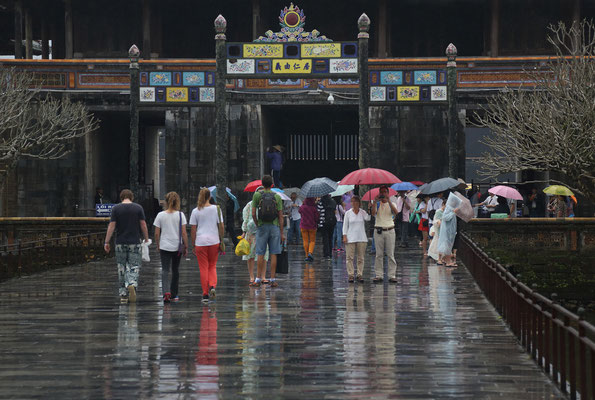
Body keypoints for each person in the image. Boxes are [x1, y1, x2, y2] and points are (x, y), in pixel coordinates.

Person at [103, 189, 150, 304]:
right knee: (134, 265)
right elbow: (143, 224)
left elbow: (112, 226)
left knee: (121, 268)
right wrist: (146, 238)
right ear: (131, 197)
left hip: (120, 242)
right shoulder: (138, 208)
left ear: (121, 197)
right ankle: (132, 284)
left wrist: (106, 242)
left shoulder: (116, 208)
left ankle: (123, 295)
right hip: (134, 242)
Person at [190, 188, 224, 304]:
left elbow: (193, 230)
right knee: (212, 266)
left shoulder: (195, 211)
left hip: (200, 242)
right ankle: (212, 286)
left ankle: (205, 294)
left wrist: (193, 244)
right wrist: (221, 239)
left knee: (203, 268)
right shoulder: (217, 209)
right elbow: (221, 226)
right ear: (210, 197)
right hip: (214, 241)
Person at [153, 191, 188, 303]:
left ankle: (165, 292)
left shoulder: (160, 215)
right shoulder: (180, 215)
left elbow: (157, 233)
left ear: (166, 202)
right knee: (175, 270)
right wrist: (186, 246)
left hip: (164, 245)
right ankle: (174, 294)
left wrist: (158, 244)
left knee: (165, 270)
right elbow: (183, 233)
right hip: (177, 246)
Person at [251, 175, 283, 287]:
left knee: (260, 253)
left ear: (262, 184)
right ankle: (273, 279)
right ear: (272, 184)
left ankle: (258, 278)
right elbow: (280, 216)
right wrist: (282, 232)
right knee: (274, 253)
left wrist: (257, 223)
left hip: (262, 226)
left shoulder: (257, 195)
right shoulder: (277, 197)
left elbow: (253, 213)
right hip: (274, 227)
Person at [370, 186, 399, 283]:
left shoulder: (392, 203)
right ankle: (379, 275)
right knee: (379, 254)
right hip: (379, 230)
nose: (383, 194)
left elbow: (396, 212)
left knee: (390, 254)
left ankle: (392, 275)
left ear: (388, 193)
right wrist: (374, 202)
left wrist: (389, 200)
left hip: (390, 230)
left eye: (385, 192)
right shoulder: (377, 203)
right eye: (381, 192)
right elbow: (373, 214)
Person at [241, 186, 269, 285]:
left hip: (263, 232)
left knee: (264, 255)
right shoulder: (249, 205)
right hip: (251, 232)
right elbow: (245, 218)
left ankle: (263, 276)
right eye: (259, 193)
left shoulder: (267, 204)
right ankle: (252, 276)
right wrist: (244, 231)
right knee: (250, 255)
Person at [342, 196, 370, 283]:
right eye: (352, 202)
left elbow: (368, 218)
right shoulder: (348, 213)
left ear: (359, 203)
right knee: (349, 257)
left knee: (360, 258)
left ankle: (359, 274)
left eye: (355, 202)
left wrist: (370, 208)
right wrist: (344, 235)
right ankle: (350, 274)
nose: (354, 203)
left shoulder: (362, 212)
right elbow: (345, 225)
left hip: (361, 237)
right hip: (350, 237)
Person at [438, 193, 461, 267]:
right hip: (447, 231)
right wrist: (453, 212)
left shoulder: (450, 208)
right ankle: (448, 262)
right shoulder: (449, 208)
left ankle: (446, 260)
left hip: (450, 230)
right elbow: (445, 217)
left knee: (448, 245)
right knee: (447, 246)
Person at [299, 197, 319, 262]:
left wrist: (303, 204)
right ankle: (310, 253)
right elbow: (317, 218)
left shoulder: (302, 207)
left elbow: (299, 211)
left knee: (305, 241)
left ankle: (307, 255)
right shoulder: (314, 208)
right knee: (312, 241)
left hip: (303, 226)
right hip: (312, 226)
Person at [317, 194, 336, 259]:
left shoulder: (320, 202)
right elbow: (334, 210)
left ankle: (326, 253)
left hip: (323, 222)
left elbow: (318, 212)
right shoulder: (333, 201)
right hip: (332, 222)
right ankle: (330, 253)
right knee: (330, 238)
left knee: (325, 238)